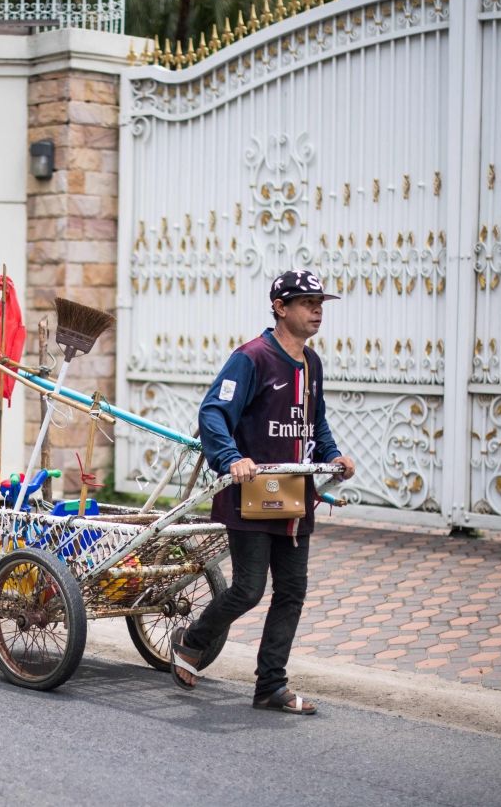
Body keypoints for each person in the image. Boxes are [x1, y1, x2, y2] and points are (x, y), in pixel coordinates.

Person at [170, 269, 357, 714]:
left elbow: (315, 421)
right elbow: (213, 413)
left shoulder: (312, 364)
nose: (317, 311)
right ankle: (193, 639)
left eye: (321, 304)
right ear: (280, 307)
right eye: (307, 303)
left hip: (295, 494)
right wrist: (232, 457)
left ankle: (270, 686)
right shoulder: (251, 358)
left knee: (292, 591)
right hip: (252, 492)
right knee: (249, 589)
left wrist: (334, 457)